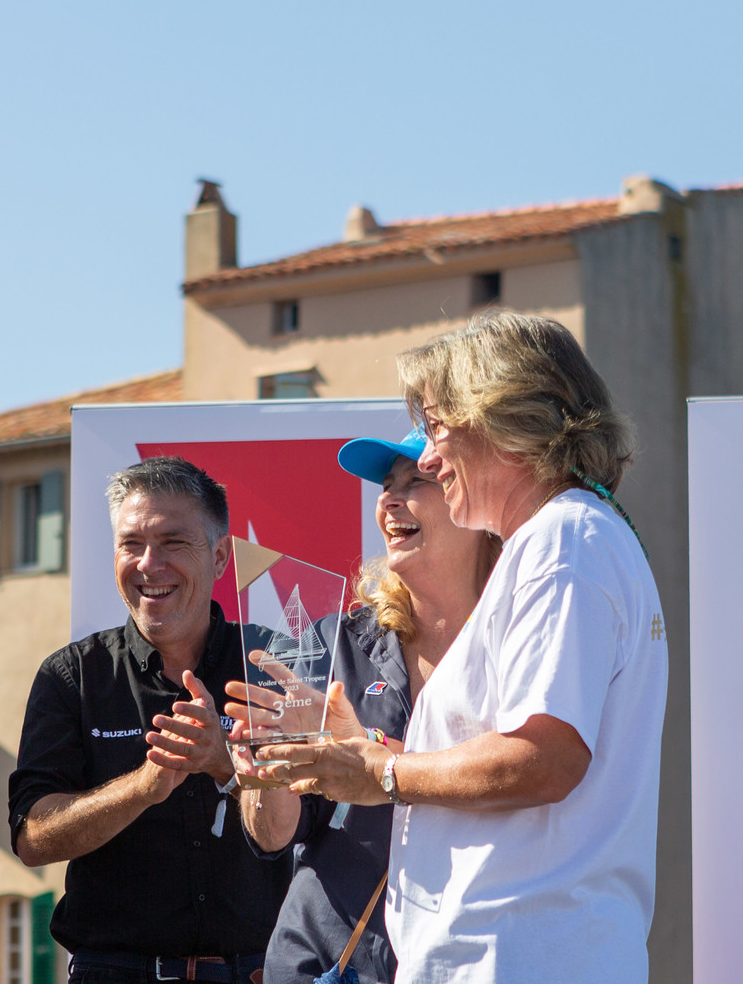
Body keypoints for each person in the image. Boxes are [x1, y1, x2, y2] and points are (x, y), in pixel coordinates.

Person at [259, 311, 668, 983]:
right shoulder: (562, 539)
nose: (425, 457)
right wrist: (370, 754)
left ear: (504, 416)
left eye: (437, 426)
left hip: (518, 958)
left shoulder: (561, 543)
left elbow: (546, 757)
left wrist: (384, 772)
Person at [225, 430, 499, 984]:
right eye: (386, 484)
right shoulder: (336, 641)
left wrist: (377, 757)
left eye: (416, 480)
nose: (390, 499)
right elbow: (272, 835)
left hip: (475, 959)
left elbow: (531, 780)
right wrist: (266, 775)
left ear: (474, 502)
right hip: (327, 962)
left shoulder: (517, 641)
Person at [9, 456, 290, 984]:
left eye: (172, 542)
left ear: (220, 557)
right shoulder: (73, 675)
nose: (148, 564)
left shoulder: (277, 665)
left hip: (260, 971)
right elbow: (32, 840)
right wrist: (142, 787)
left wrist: (225, 764)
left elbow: (310, 827)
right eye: (131, 544)